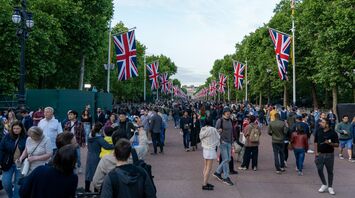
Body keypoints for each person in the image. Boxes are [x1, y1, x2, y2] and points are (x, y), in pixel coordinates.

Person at [0, 121, 27, 198]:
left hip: (20, 164)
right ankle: (11, 195)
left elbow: (28, 150)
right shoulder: (7, 137)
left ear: (21, 128)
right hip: (8, 163)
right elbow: (1, 149)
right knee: (6, 183)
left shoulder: (26, 137)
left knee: (17, 184)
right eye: (14, 128)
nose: (15, 130)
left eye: (17, 128)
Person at [85, 123, 114, 192]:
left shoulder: (90, 136)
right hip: (96, 157)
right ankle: (96, 191)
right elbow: (107, 146)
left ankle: (86, 189)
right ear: (101, 130)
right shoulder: (99, 138)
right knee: (96, 174)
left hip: (89, 155)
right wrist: (117, 144)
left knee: (88, 173)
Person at [314, 118, 339, 195]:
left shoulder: (333, 133)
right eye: (321, 122)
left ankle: (330, 187)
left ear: (327, 124)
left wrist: (330, 143)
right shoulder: (318, 131)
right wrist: (316, 153)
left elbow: (337, 145)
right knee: (319, 169)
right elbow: (315, 142)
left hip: (329, 155)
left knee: (330, 171)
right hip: (320, 154)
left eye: (323, 122)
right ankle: (324, 184)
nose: (320, 123)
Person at [213, 107, 234, 186]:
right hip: (222, 142)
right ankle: (226, 177)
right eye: (227, 113)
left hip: (229, 142)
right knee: (226, 159)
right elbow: (215, 131)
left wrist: (232, 141)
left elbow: (231, 131)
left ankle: (217, 172)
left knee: (228, 159)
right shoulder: (220, 120)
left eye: (229, 113)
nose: (229, 114)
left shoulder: (230, 120)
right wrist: (219, 131)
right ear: (224, 113)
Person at [200, 118, 220, 190]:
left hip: (205, 149)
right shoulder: (213, 129)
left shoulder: (203, 129)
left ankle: (205, 181)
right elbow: (218, 137)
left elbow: (201, 138)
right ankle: (204, 184)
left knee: (205, 166)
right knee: (209, 168)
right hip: (211, 149)